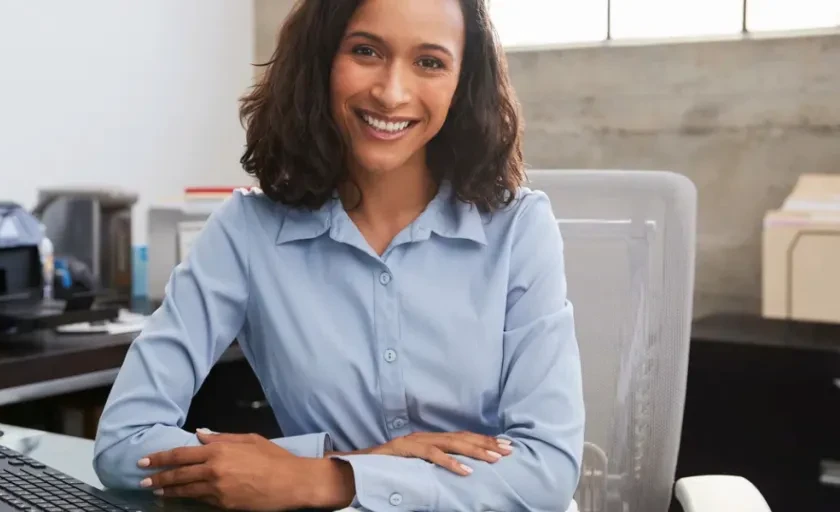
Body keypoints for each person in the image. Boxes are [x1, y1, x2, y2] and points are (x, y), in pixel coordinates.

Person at [93, 0, 584, 509]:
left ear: (464, 83)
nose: (392, 93)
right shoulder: (246, 232)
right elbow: (124, 444)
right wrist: (361, 462)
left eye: (430, 62)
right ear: (321, 60)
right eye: (366, 51)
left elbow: (545, 475)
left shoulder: (519, 227)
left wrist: (326, 480)